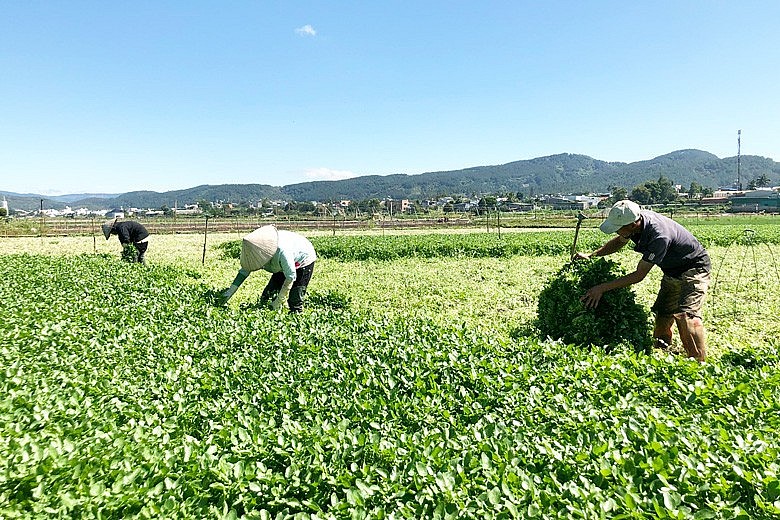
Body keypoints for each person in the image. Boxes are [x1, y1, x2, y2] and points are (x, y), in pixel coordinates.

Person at [574, 200, 711, 362]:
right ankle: (662, 351)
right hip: (672, 271)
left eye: (618, 228)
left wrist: (601, 288)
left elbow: (639, 275)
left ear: (633, 225)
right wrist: (591, 255)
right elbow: (619, 242)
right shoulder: (634, 223)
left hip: (694, 269)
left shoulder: (659, 236)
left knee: (686, 317)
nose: (616, 231)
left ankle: (698, 363)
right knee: (663, 314)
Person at [220, 225, 316, 313]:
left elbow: (291, 276)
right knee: (267, 296)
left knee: (295, 299)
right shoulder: (255, 251)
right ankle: (270, 313)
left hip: (303, 259)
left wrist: (279, 300)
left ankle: (296, 315)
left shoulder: (282, 252)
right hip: (280, 265)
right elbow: (244, 271)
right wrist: (229, 292)